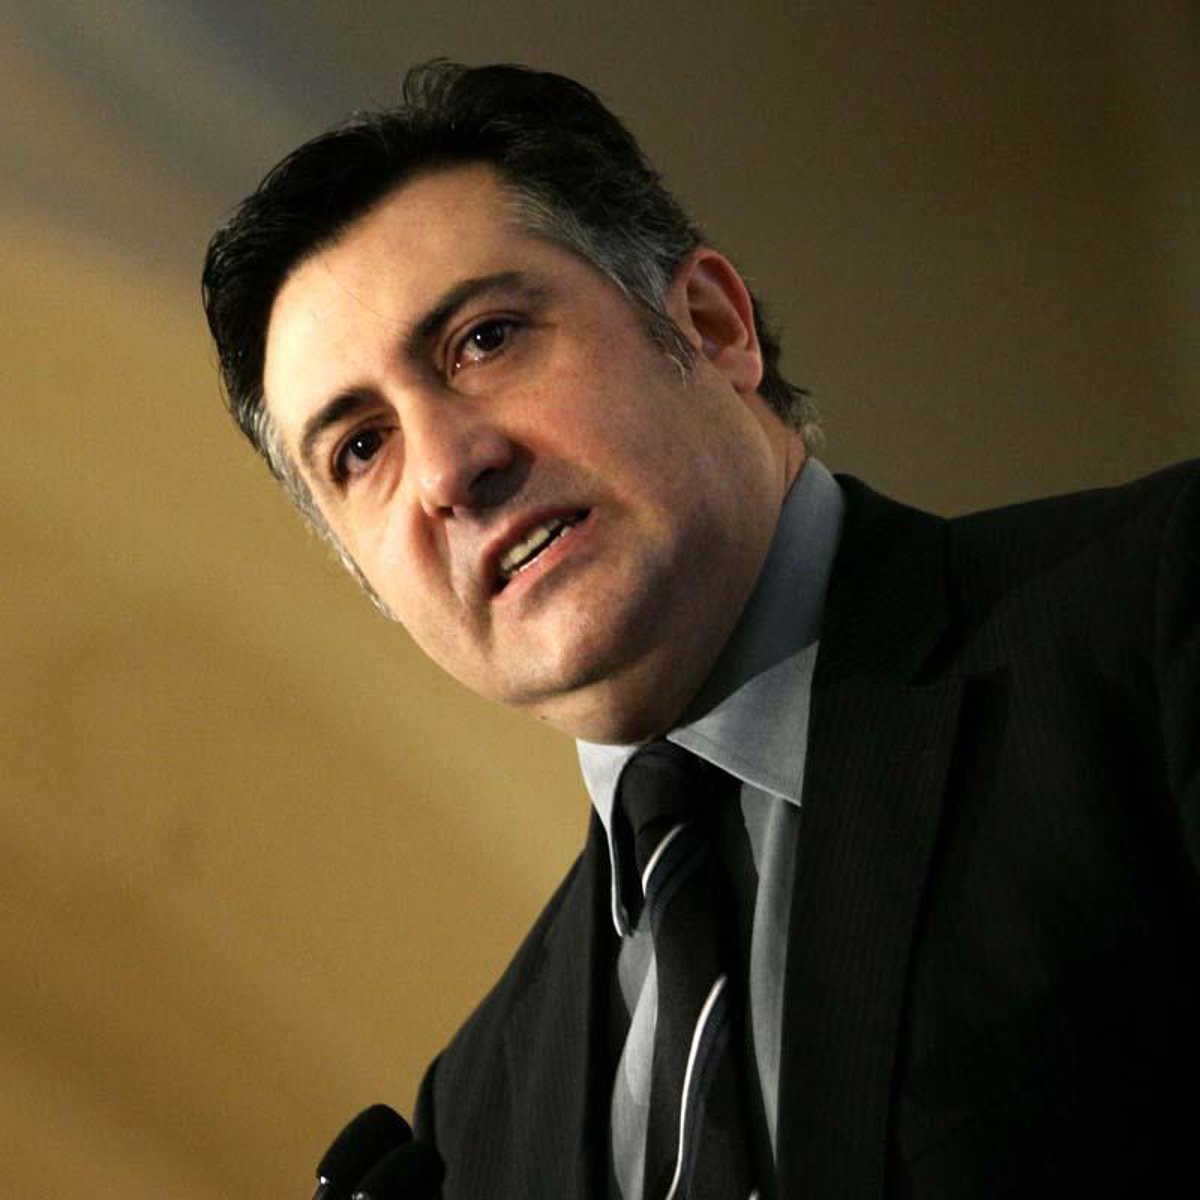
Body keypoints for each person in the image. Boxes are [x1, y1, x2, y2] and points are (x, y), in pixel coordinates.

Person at [202, 61, 1198, 1199]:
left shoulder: (1151, 618)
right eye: (360, 449)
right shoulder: (474, 1117)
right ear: (372, 583)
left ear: (712, 326)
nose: (446, 468)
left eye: (485, 339)